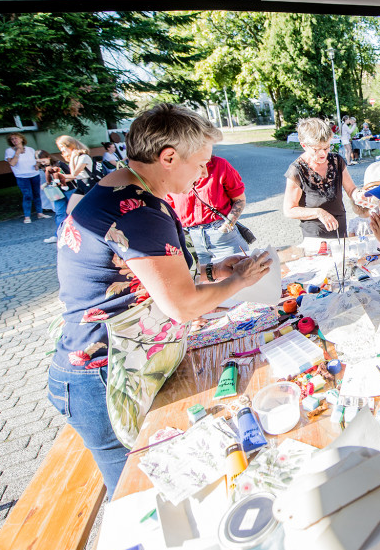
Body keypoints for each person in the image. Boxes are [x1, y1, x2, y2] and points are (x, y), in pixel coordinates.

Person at [49, 103, 273, 496]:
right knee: (139, 499)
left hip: (103, 368)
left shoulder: (126, 187)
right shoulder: (137, 208)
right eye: (201, 163)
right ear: (168, 157)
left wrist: (211, 273)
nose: (205, 173)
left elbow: (148, 280)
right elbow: (182, 306)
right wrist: (240, 280)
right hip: (104, 375)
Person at [283, 117, 364, 242]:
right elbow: (289, 210)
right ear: (304, 145)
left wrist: (359, 195)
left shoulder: (337, 161)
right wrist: (319, 212)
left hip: (339, 227)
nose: (323, 154)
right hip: (315, 234)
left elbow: (351, 189)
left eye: (326, 148)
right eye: (316, 149)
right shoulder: (296, 170)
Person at [166, 155, 249, 268]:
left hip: (222, 236)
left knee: (241, 275)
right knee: (202, 281)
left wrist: (226, 226)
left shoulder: (219, 165)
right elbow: (168, 207)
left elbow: (239, 200)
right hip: (190, 239)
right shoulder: (170, 170)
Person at [4, 132, 49, 224]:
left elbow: (37, 160)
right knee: (27, 195)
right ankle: (27, 216)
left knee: (37, 194)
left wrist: (37, 165)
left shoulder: (30, 149)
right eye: (12, 139)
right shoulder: (9, 151)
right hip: (22, 176)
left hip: (34, 174)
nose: (14, 140)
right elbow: (12, 163)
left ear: (21, 139)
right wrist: (17, 152)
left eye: (16, 138)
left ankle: (40, 213)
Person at [55, 135, 96, 212]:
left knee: (91, 210)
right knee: (69, 210)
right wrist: (61, 179)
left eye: (62, 146)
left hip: (89, 185)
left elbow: (74, 173)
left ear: (69, 145)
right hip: (81, 185)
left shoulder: (83, 157)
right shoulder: (76, 157)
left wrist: (72, 158)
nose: (61, 150)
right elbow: (74, 176)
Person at [37, 150, 68, 244]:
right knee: (59, 213)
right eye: (40, 162)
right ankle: (59, 235)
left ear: (48, 157)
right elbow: (49, 179)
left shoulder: (59, 164)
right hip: (57, 192)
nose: (43, 163)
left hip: (69, 189)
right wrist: (46, 184)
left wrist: (60, 181)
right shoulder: (45, 167)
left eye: (44, 161)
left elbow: (71, 176)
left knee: (74, 212)